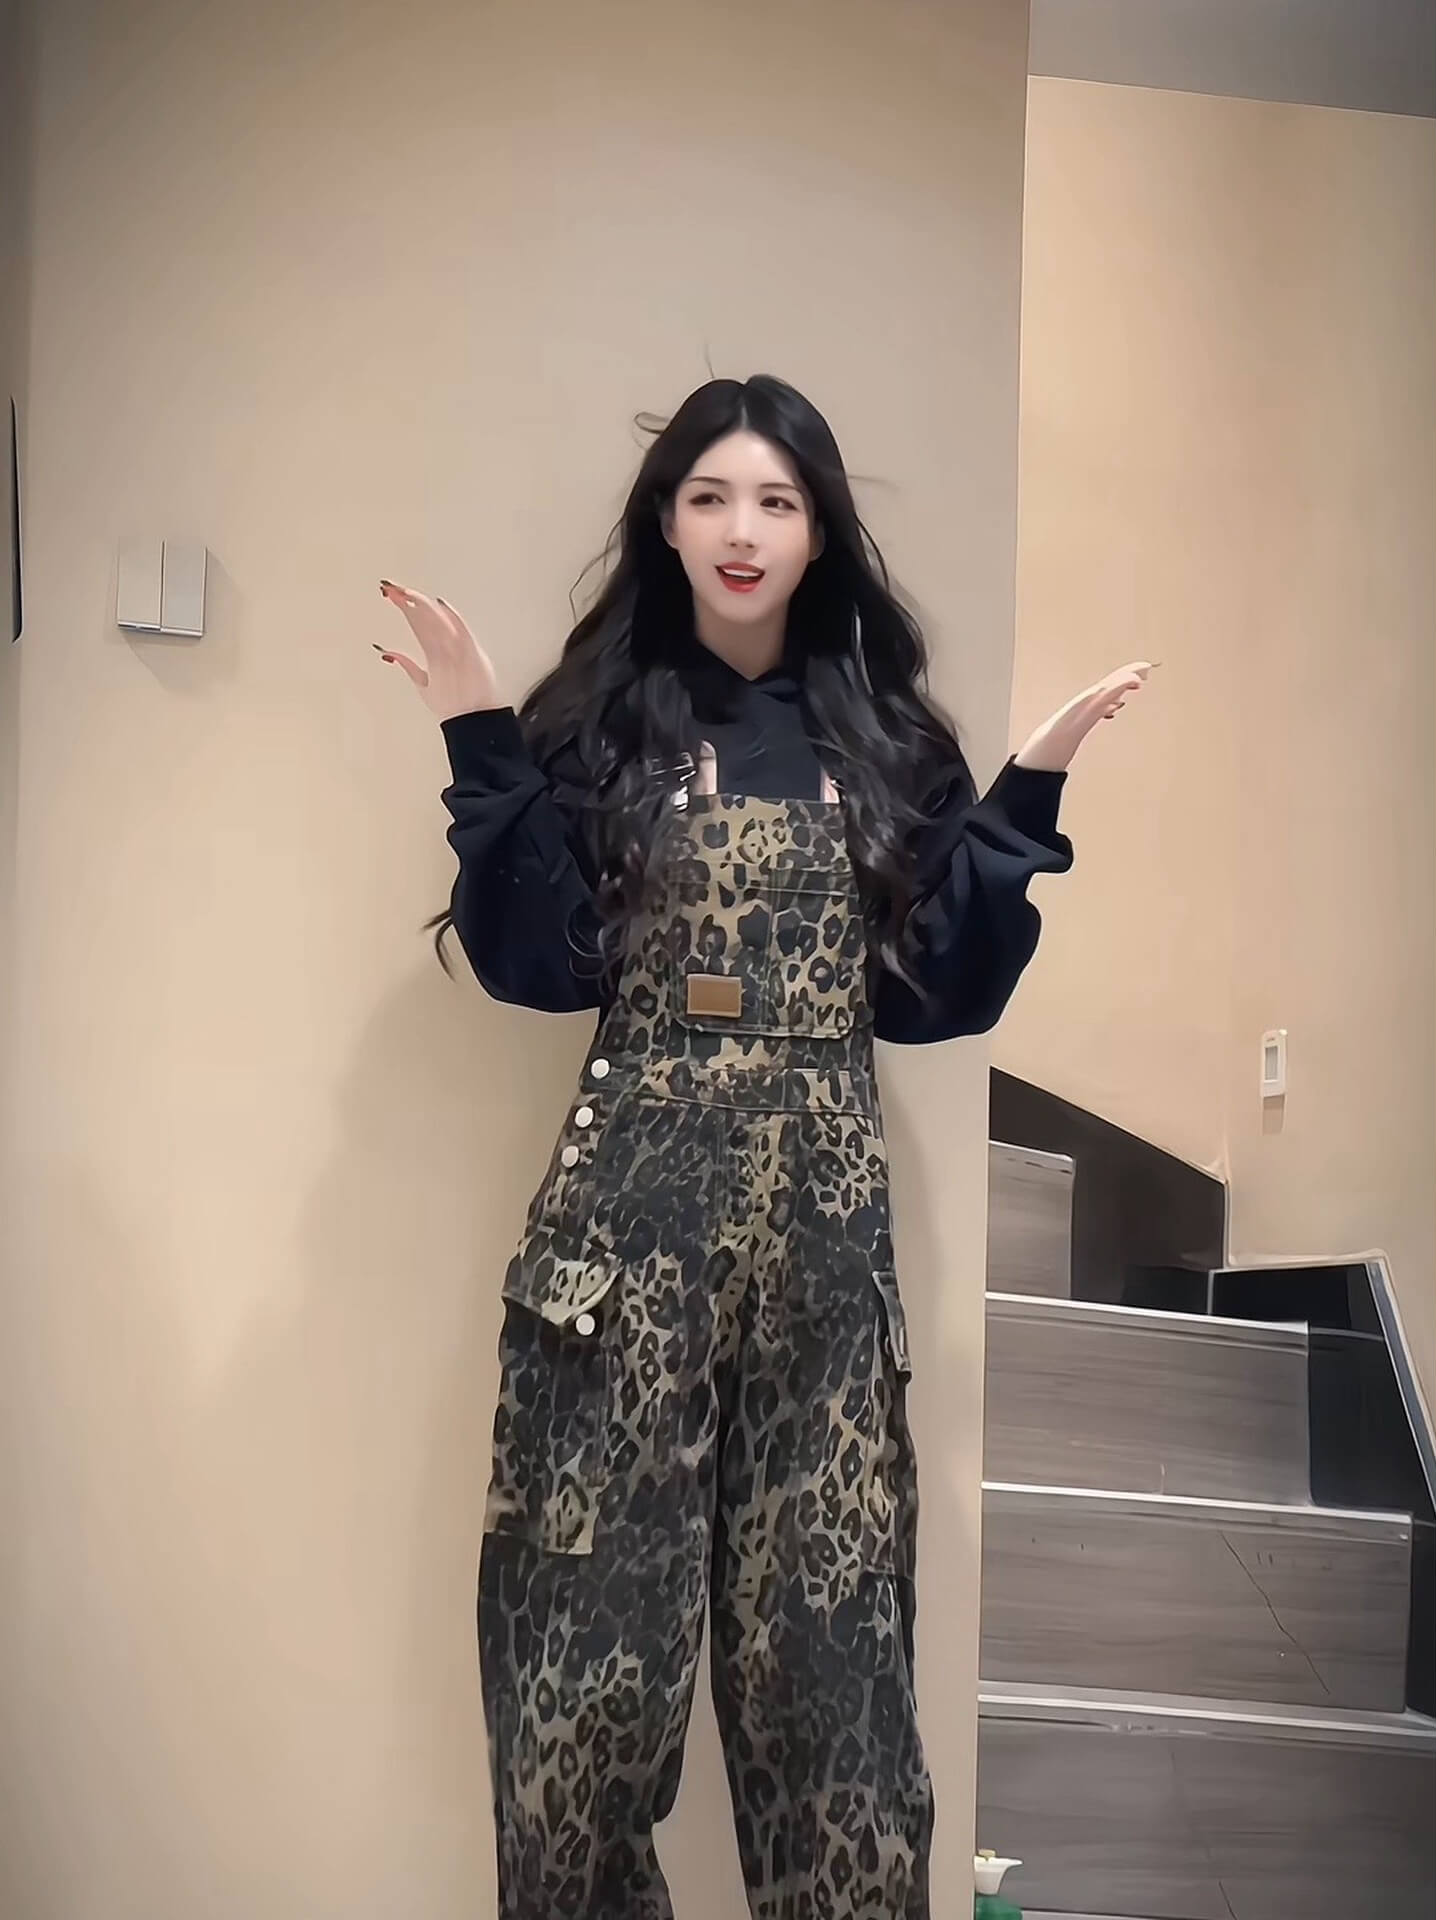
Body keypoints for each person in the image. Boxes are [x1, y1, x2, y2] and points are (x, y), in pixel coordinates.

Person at [378, 375, 1150, 1920]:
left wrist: (1026, 799)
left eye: (778, 501)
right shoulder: (598, 732)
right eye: (713, 496)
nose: (744, 529)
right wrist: (477, 736)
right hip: (615, 1285)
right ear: (666, 522)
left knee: (842, 1736)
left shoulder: (886, 743)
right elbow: (539, 964)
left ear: (818, 532)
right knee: (572, 1729)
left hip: (823, 1297)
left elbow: (933, 997)